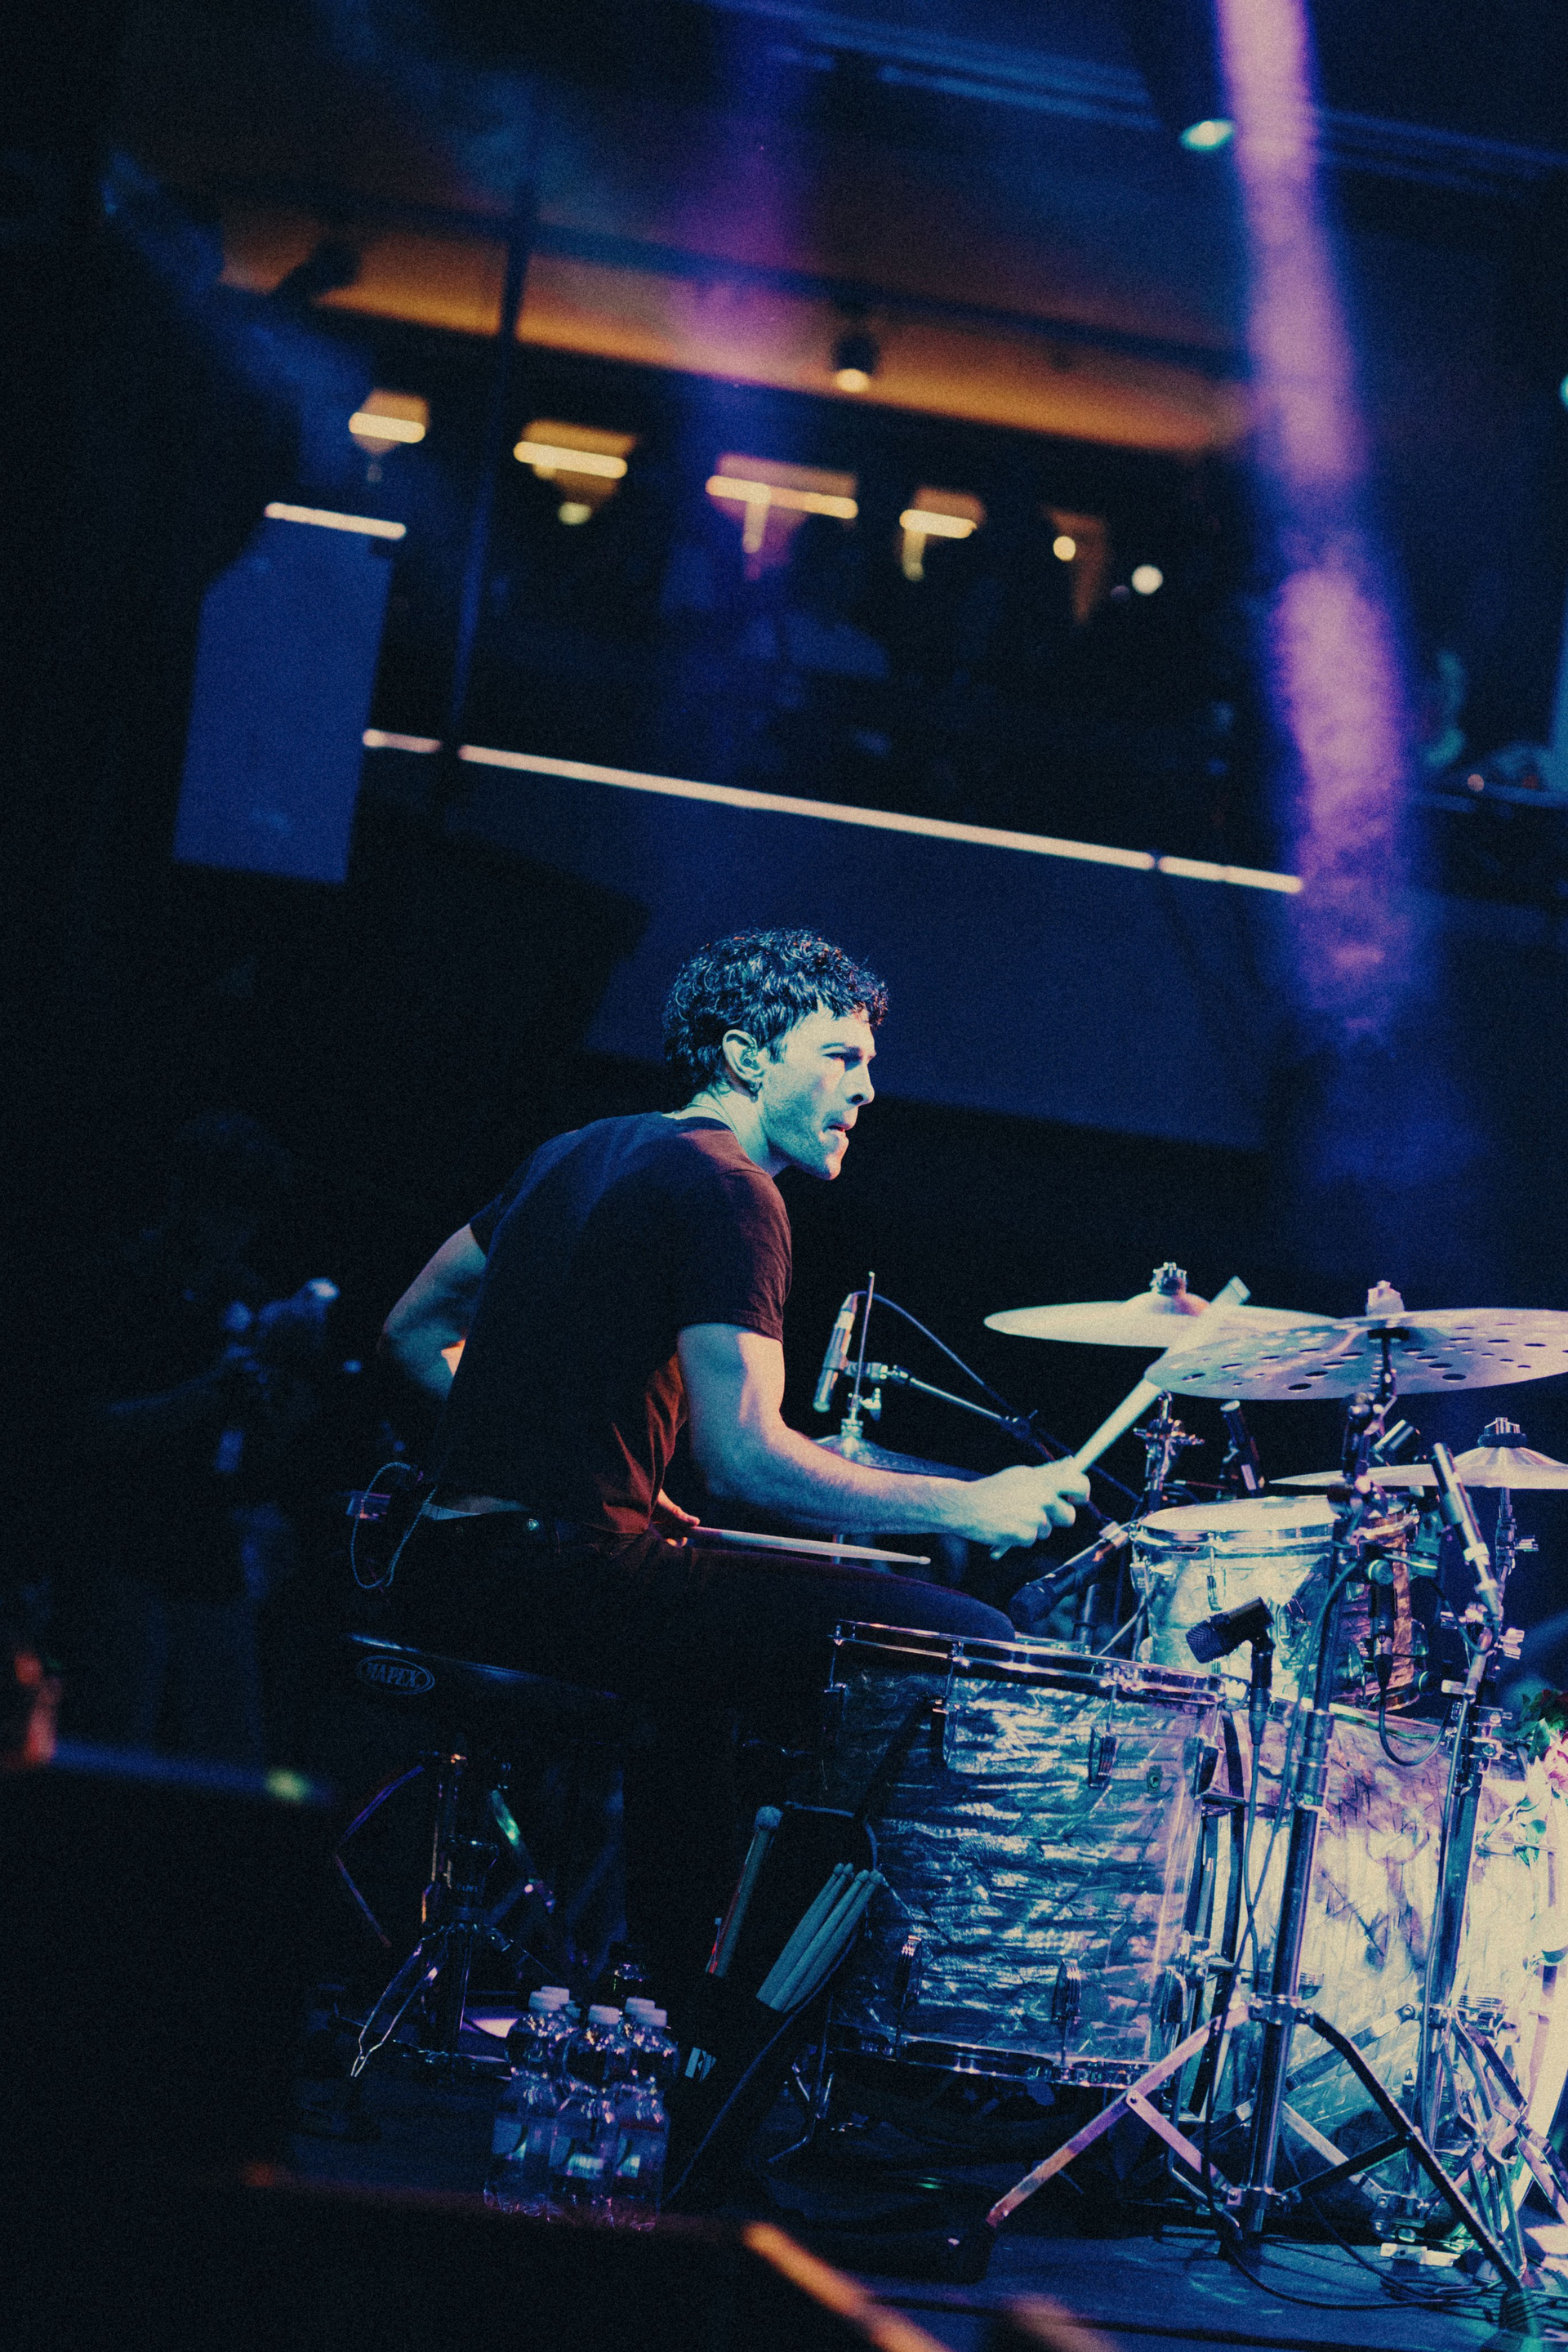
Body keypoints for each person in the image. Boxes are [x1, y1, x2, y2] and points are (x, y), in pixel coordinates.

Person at [376, 929, 1087, 1984]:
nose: (867, 1089)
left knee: (708, 1676)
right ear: (747, 1056)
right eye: (841, 1058)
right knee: (969, 1636)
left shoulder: (571, 1151)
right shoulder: (732, 1189)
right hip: (560, 1581)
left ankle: (680, 1996)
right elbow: (746, 1460)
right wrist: (968, 1506)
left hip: (447, 1566)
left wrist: (568, 1455)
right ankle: (792, 1999)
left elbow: (409, 1332)